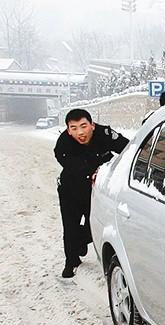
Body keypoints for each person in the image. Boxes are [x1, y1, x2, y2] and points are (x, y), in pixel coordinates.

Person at [54, 109, 129, 278]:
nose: (80, 132)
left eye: (83, 126)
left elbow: (128, 150)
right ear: (68, 130)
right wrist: (91, 171)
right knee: (70, 226)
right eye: (73, 128)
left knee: (94, 224)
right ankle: (71, 261)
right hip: (70, 189)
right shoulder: (63, 143)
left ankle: (81, 241)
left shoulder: (106, 134)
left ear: (92, 125)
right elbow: (66, 160)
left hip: (96, 191)